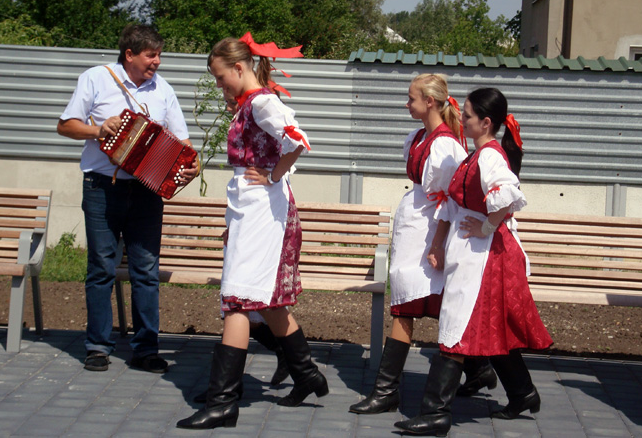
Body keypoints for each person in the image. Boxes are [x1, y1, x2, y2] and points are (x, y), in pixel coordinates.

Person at [176, 33, 327, 430]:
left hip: (263, 208)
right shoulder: (250, 103)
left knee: (238, 300)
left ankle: (223, 401)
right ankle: (306, 375)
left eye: (220, 76)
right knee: (264, 301)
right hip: (251, 208)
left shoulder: (261, 102)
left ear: (239, 67)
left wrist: (274, 175)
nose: (219, 84)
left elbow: (298, 140)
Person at [395, 87, 553, 436]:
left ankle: (436, 412)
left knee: (457, 322)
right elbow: (456, 201)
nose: (461, 120)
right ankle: (522, 392)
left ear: (486, 123)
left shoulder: (490, 157)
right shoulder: (477, 154)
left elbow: (508, 195)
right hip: (474, 252)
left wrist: (487, 226)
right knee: (490, 324)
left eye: (467, 116)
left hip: (485, 258)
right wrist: (443, 241)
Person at [349, 74, 496, 416]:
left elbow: (450, 199)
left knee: (412, 305)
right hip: (416, 228)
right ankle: (480, 368)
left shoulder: (445, 146)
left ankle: (387, 391)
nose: (407, 103)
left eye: (411, 98)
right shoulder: (419, 138)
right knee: (420, 302)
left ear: (429, 102)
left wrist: (439, 243)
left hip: (429, 231)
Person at [57, 24, 198, 373]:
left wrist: (192, 165)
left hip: (147, 192)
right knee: (101, 268)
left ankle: (146, 350)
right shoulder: (95, 78)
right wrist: (98, 130)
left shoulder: (163, 89)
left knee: (146, 271)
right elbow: (65, 125)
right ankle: (97, 347)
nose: (157, 61)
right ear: (130, 54)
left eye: (159, 55)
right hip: (102, 188)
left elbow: (183, 142)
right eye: (151, 55)